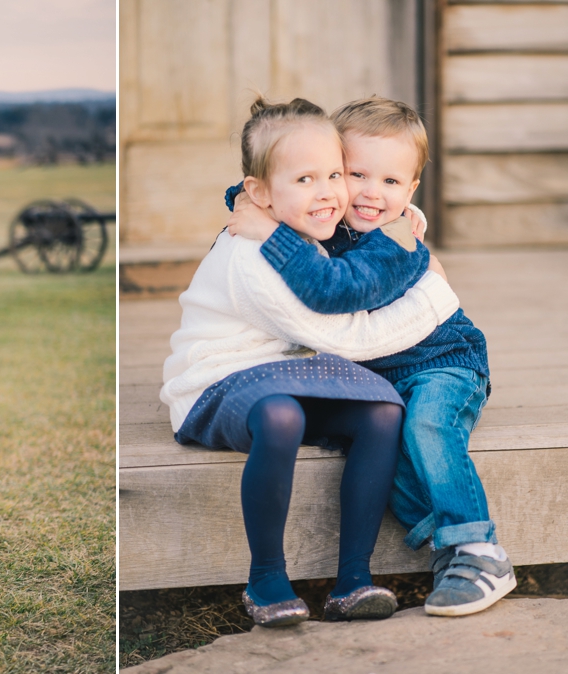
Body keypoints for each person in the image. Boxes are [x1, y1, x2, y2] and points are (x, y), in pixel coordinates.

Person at [160, 97, 460, 626]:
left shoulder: (310, 235)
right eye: (303, 180)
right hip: (217, 384)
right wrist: (435, 295)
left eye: (334, 174)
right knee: (283, 415)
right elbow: (342, 337)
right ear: (259, 193)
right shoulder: (250, 256)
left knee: (383, 411)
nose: (326, 193)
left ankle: (353, 580)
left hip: (290, 373)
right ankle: (267, 578)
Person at [225, 96, 514, 617]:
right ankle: (443, 546)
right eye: (355, 173)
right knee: (393, 461)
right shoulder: (332, 220)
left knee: (427, 428)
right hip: (380, 375)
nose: (371, 193)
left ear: (411, 191)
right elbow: (281, 178)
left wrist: (266, 229)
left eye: (391, 182)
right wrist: (247, 197)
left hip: (445, 361)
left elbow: (338, 289)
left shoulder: (396, 238)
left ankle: (479, 552)